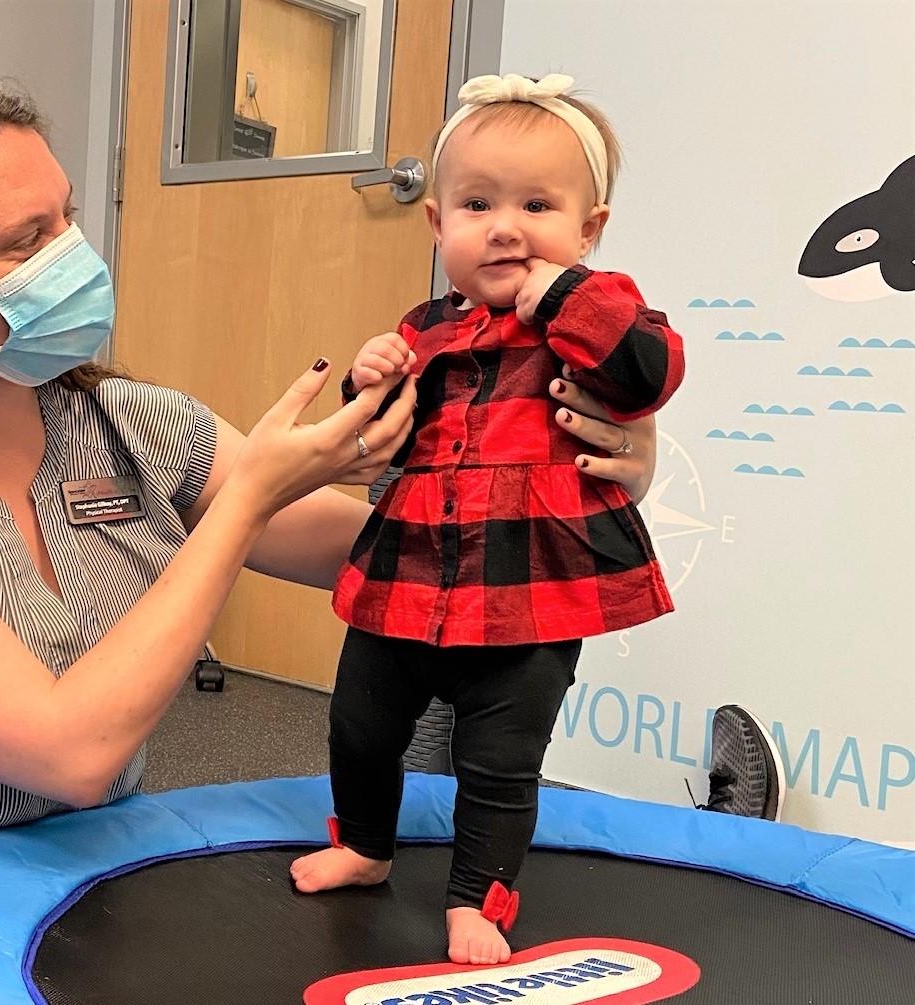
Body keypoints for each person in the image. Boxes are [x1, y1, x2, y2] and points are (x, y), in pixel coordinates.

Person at [0, 70, 658, 1005]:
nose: (72, 258)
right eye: (25, 242)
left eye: (67, 218)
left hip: (74, 878)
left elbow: (400, 558)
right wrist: (244, 503)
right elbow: (67, 751)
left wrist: (581, 482)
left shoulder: (134, 426)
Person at [289, 73, 686, 967]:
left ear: (589, 229)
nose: (505, 227)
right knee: (358, 723)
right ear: (437, 224)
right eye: (477, 205)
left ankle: (478, 896)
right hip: (408, 575)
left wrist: (565, 298)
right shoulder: (424, 325)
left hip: (528, 591)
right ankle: (364, 844)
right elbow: (379, 444)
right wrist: (367, 378)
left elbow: (650, 370)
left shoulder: (598, 310)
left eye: (537, 206)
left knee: (499, 758)